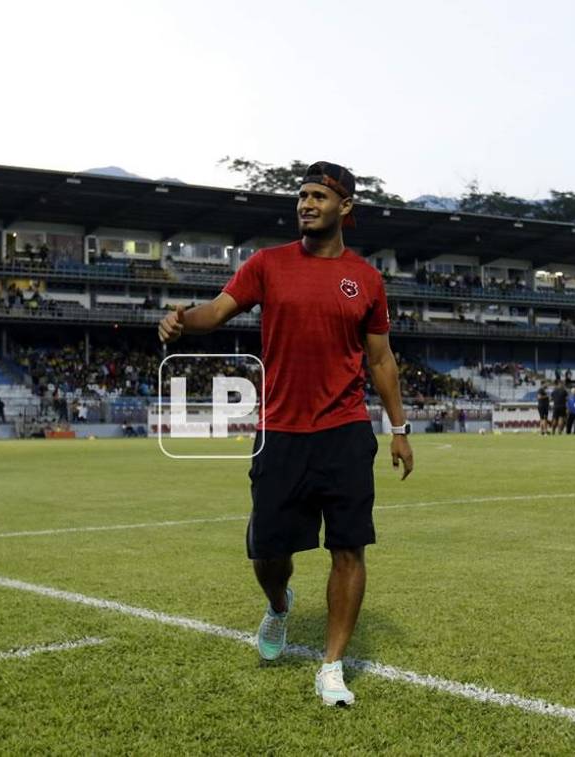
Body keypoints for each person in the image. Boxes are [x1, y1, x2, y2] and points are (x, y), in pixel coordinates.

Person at [157, 160, 414, 707]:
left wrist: (399, 427)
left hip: (344, 430)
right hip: (280, 431)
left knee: (349, 549)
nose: (306, 204)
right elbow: (219, 312)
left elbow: (381, 358)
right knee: (267, 555)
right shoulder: (267, 265)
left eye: (319, 196)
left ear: (345, 207)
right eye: (301, 195)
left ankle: (331, 666)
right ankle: (278, 606)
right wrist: (183, 318)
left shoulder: (366, 280)